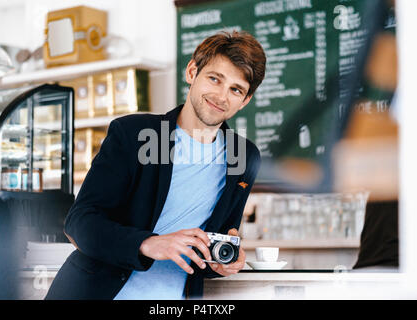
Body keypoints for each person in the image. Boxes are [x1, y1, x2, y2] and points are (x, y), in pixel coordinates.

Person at [45, 30, 266, 300]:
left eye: (236, 89)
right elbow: (79, 223)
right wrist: (149, 243)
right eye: (214, 79)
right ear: (192, 72)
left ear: (245, 100)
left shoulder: (244, 157)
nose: (221, 96)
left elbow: (218, 239)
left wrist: (227, 261)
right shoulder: (134, 134)